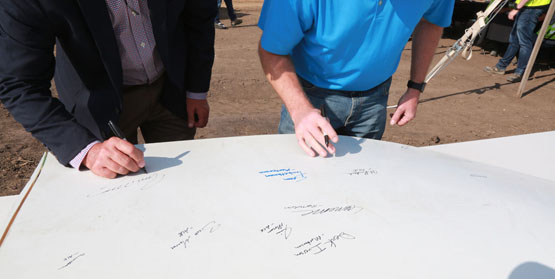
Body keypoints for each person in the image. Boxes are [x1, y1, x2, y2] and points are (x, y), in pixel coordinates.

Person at [0, 0, 217, 179]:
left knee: (180, 181)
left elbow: (199, 19)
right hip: (99, 103)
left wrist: (196, 91)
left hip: (170, 91)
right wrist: (86, 150)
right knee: (119, 196)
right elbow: (20, 84)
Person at [258, 0, 455, 158]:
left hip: (374, 100)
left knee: (359, 185)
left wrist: (415, 87)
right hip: (311, 97)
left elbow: (432, 22)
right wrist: (300, 110)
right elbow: (272, 52)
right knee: (300, 181)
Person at [484, 0, 552, 82]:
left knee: (524, 42)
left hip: (531, 8)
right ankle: (501, 67)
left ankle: (520, 72)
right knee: (515, 40)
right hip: (528, 7)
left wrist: (517, 8)